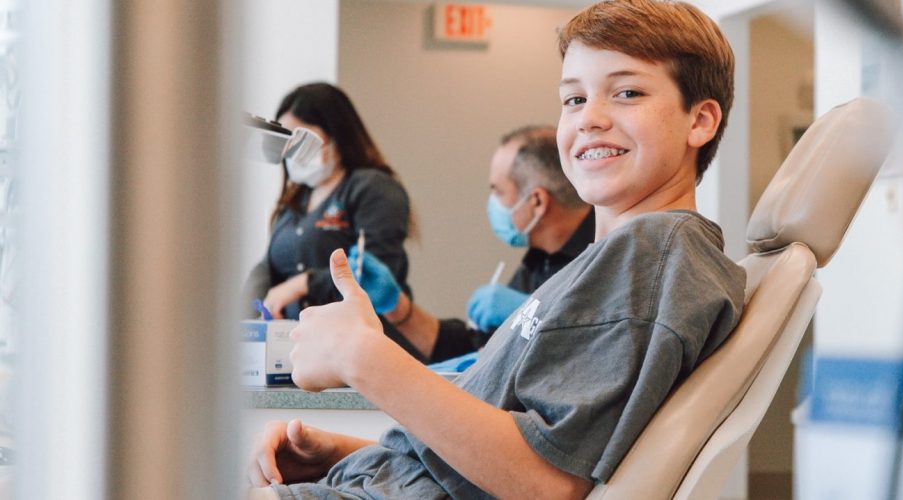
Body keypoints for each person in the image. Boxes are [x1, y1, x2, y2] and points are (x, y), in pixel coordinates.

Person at [247, 1, 744, 498]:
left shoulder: (652, 253)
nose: (589, 117)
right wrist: (343, 451)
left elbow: (544, 482)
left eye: (627, 92)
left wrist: (362, 357)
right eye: (573, 99)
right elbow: (493, 459)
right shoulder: (610, 264)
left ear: (699, 121)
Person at [348, 125, 595, 362]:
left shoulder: (602, 258)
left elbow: (596, 353)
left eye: (498, 191)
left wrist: (533, 314)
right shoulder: (538, 262)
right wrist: (397, 306)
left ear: (537, 201)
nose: (491, 203)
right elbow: (475, 350)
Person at [243, 82, 424, 357]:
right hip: (303, 352)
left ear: (336, 134)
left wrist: (304, 283)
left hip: (365, 351)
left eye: (301, 137)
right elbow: (270, 267)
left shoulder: (372, 188)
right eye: (287, 141)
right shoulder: (295, 202)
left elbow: (374, 270)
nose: (293, 151)